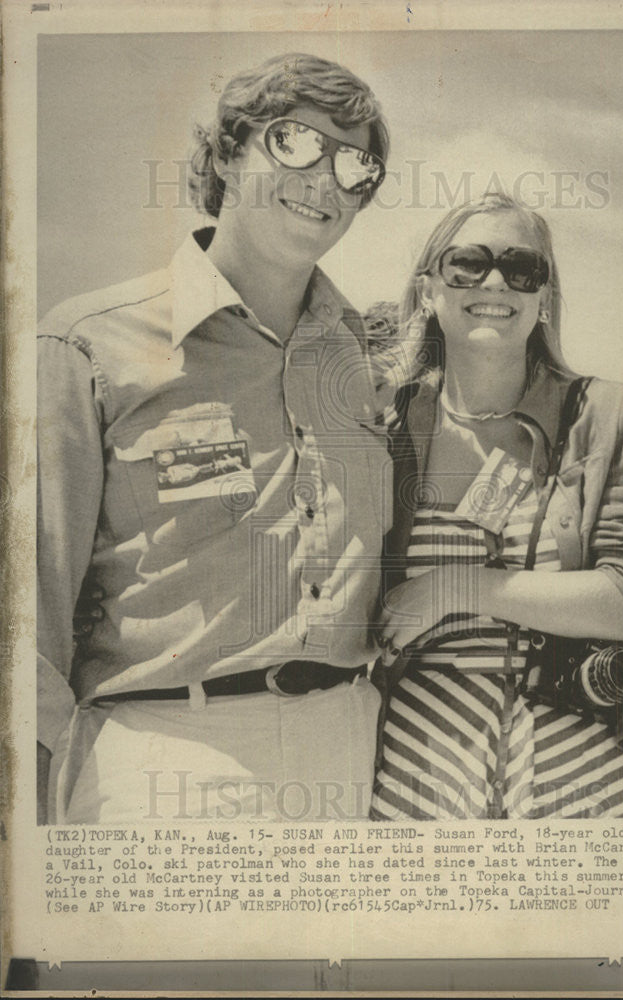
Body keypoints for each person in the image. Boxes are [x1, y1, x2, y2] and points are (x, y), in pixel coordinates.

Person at [37, 52, 392, 823]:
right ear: (229, 153)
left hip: (351, 754)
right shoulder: (89, 343)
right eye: (296, 143)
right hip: (162, 758)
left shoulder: (365, 358)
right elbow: (26, 615)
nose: (327, 178)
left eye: (357, 164)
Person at [370, 193, 623, 820]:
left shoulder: (603, 414)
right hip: (413, 772)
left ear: (543, 297)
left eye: (522, 268)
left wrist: (455, 587)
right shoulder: (383, 422)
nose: (496, 281)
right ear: (428, 288)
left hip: (577, 773)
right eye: (468, 263)